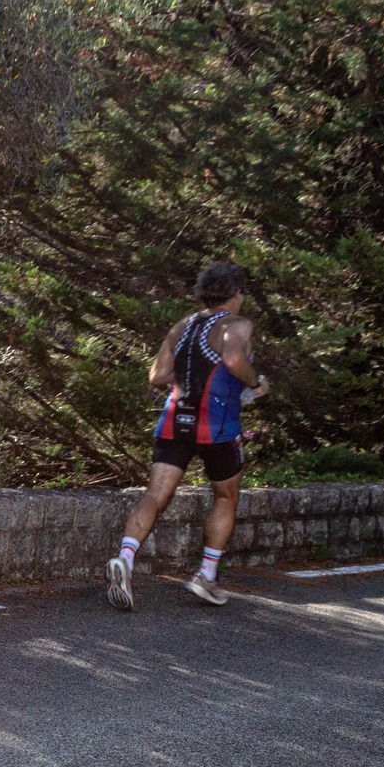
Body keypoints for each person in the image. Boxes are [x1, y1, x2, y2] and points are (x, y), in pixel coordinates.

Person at [106, 261, 267, 611]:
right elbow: (234, 358)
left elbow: (157, 375)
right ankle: (206, 575)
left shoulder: (184, 325)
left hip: (174, 420)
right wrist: (255, 384)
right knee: (225, 497)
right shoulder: (237, 324)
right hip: (217, 424)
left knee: (155, 494)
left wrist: (191, 373)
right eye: (243, 292)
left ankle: (125, 559)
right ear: (237, 293)